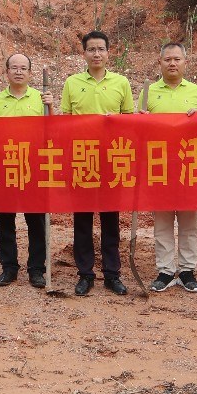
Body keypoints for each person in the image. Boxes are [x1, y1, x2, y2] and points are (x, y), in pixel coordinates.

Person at [49, 30, 133, 297]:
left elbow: (131, 122)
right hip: (82, 158)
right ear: (83, 53)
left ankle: (112, 274)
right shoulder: (72, 83)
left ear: (109, 53)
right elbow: (66, 122)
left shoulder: (121, 83)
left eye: (101, 49)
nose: (97, 54)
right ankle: (85, 274)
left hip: (112, 159)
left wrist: (116, 121)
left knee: (111, 219)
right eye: (91, 49)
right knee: (82, 220)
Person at [142, 43, 197, 293]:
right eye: (167, 59)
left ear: (185, 62)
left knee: (189, 222)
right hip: (159, 165)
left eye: (177, 59)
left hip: (189, 164)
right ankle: (166, 271)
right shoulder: (148, 92)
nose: (172, 63)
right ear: (159, 63)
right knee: (162, 222)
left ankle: (188, 270)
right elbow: (140, 128)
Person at [0, 53, 48, 287]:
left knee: (36, 221)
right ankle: (9, 267)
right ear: (7, 72)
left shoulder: (41, 99)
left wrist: (51, 108)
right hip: (5, 167)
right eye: (14, 68)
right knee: (5, 220)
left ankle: (36, 269)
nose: (19, 72)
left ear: (30, 73)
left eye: (24, 68)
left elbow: (54, 130)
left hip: (33, 168)